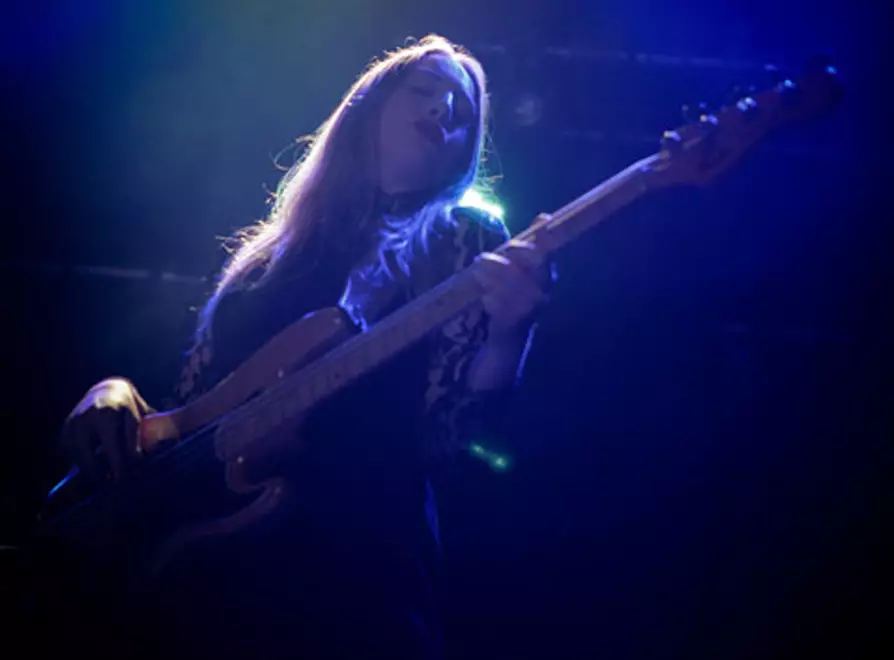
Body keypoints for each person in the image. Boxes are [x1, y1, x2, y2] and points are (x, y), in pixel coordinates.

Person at [52, 34, 551, 659]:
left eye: (462, 108)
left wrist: (510, 337)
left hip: (352, 586)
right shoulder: (266, 258)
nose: (444, 108)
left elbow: (452, 443)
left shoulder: (464, 238)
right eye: (424, 89)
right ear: (367, 105)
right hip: (200, 587)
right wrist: (113, 389)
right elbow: (190, 412)